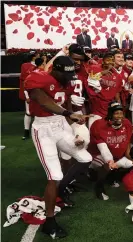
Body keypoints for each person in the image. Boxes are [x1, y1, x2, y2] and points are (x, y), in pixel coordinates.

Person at [24, 56, 93, 238]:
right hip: (43, 128)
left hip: (61, 125)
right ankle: (49, 220)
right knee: (54, 175)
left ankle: (61, 188)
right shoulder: (39, 77)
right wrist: (69, 113)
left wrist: (74, 129)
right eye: (63, 74)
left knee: (86, 158)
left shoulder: (67, 81)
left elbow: (65, 104)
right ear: (55, 69)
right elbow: (44, 101)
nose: (66, 78)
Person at [88, 102, 133, 200]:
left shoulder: (127, 124)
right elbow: (102, 148)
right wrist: (110, 161)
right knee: (107, 164)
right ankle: (99, 187)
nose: (120, 116)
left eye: (121, 113)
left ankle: (112, 177)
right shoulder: (99, 125)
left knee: (131, 163)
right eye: (116, 113)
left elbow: (128, 143)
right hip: (97, 154)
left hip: (116, 154)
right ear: (110, 114)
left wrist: (131, 157)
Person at [86, 52, 124, 128]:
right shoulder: (94, 68)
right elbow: (89, 81)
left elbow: (117, 95)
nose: (110, 62)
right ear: (102, 61)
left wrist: (120, 109)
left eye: (112, 60)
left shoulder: (118, 76)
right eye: (108, 60)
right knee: (93, 133)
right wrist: (102, 73)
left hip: (109, 110)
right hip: (95, 108)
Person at [20, 50, 39, 140]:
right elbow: (25, 81)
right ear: (34, 56)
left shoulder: (40, 64)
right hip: (30, 91)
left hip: (39, 91)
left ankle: (34, 132)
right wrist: (27, 95)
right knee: (28, 112)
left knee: (37, 112)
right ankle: (26, 132)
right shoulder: (25, 66)